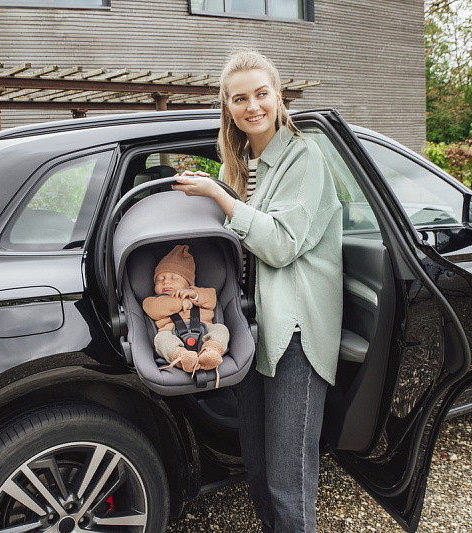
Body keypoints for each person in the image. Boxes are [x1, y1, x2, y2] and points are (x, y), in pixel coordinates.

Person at [171, 50, 343, 532]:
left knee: (288, 475)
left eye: (261, 94)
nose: (253, 106)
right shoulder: (240, 164)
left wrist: (219, 196)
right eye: (240, 98)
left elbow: (281, 245)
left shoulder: (305, 156)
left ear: (278, 95)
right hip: (248, 328)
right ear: (227, 107)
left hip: (294, 331)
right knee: (260, 466)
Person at [142, 244, 229, 386]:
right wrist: (179, 302)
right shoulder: (152, 301)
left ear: (188, 283)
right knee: (161, 339)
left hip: (205, 331)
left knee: (220, 329)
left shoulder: (198, 293)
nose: (166, 282)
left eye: (174, 278)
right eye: (159, 279)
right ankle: (181, 357)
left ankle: (212, 350)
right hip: (172, 334)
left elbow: (212, 298)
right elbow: (152, 309)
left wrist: (193, 295)